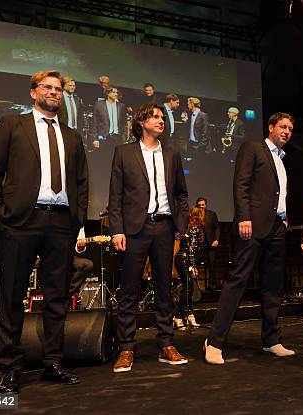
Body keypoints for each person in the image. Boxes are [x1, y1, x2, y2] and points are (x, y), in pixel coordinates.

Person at [0, 70, 88, 394]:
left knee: (57, 298)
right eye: (48, 88)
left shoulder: (72, 136)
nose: (54, 93)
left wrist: (77, 217)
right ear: (33, 92)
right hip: (20, 222)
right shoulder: (12, 126)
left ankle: (52, 363)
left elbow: (81, 182)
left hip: (60, 224)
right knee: (12, 297)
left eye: (58, 89)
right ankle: (10, 368)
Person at [204, 112, 296, 365]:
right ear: (270, 127)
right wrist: (243, 217)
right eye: (283, 127)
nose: (287, 132)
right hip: (252, 226)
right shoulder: (253, 147)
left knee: (273, 286)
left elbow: (278, 193)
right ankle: (214, 343)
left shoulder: (281, 159)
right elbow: (241, 184)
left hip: (277, 227)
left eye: (290, 128)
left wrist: (285, 218)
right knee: (237, 282)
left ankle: (271, 340)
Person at [108, 103, 189, 373]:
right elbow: (115, 196)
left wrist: (182, 222)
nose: (160, 120)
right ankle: (126, 348)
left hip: (165, 228)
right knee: (130, 290)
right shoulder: (124, 153)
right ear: (141, 122)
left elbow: (181, 193)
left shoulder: (172, 154)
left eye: (162, 117)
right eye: (155, 116)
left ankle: (166, 343)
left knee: (164, 289)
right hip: (135, 229)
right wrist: (117, 229)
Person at [173, 206, 206, 329]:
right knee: (188, 288)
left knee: (190, 288)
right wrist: (192, 266)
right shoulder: (194, 230)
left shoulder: (189, 228)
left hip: (182, 260)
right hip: (184, 260)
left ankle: (189, 314)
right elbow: (191, 250)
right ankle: (178, 316)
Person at [195, 197, 220, 289]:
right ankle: (195, 286)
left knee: (212, 264)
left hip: (211, 244)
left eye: (203, 205)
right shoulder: (195, 215)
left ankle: (211, 284)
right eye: (199, 205)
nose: (201, 207)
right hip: (199, 244)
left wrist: (216, 239)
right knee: (195, 264)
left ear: (205, 205)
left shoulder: (212, 214)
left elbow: (217, 228)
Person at [92, 86, 128, 151]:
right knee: (104, 158)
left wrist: (124, 138)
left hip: (118, 138)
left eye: (116, 92)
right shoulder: (99, 105)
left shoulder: (121, 106)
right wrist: (95, 139)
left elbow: (124, 123)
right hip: (103, 137)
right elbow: (94, 123)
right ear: (107, 93)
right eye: (113, 92)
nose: (116, 94)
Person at [70, 227, 94, 299]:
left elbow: (78, 248)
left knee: (88, 265)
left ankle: (67, 293)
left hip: (68, 257)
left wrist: (80, 246)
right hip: (47, 257)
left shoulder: (78, 221)